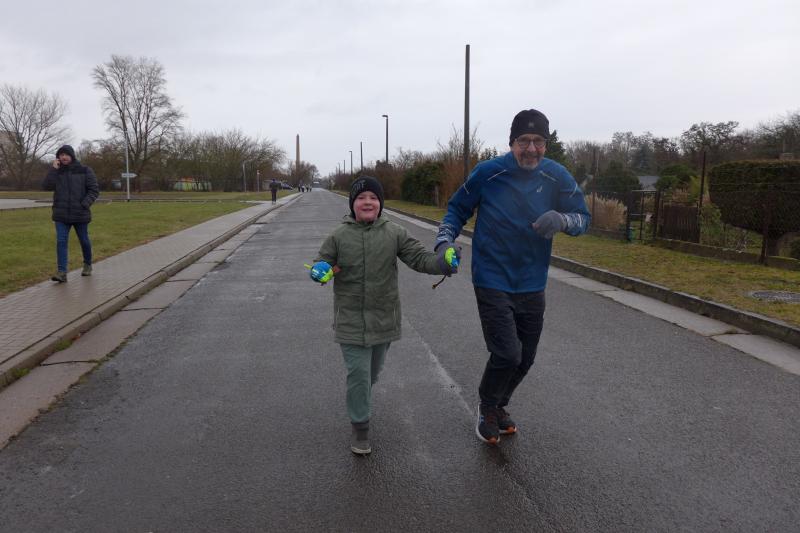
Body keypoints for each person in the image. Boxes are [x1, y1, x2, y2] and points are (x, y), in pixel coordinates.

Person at [434, 109, 591, 445]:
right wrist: (444, 241)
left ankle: (499, 404)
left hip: (533, 281)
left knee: (526, 358)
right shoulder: (488, 173)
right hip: (492, 277)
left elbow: (583, 217)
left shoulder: (556, 176)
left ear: (545, 144)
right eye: (524, 141)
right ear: (511, 142)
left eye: (538, 141)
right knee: (507, 353)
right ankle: (487, 406)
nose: (531, 149)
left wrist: (562, 220)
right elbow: (456, 209)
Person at [311, 176, 460, 455]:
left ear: (380, 204)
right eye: (361, 198)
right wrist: (320, 271)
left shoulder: (395, 233)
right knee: (358, 373)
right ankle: (360, 427)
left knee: (372, 373)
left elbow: (420, 258)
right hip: (350, 319)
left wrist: (442, 262)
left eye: (373, 198)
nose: (367, 202)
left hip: (383, 317)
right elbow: (322, 262)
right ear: (352, 204)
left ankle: (361, 398)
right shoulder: (338, 236)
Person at [42, 145, 100, 283]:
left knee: (84, 240)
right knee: (61, 241)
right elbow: (46, 186)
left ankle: (87, 264)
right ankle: (62, 272)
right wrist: (53, 170)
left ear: (72, 156)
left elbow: (94, 190)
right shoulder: (57, 172)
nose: (63, 157)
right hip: (61, 215)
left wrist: (84, 204)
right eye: (61, 155)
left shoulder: (85, 170)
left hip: (80, 213)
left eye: (66, 154)